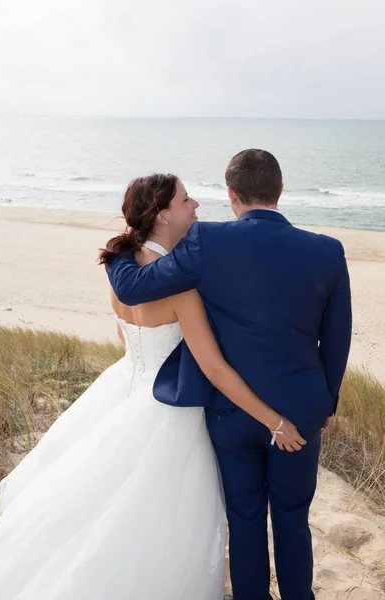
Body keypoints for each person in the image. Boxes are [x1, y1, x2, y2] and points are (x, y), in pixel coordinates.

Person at [0, 173, 304, 600]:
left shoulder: (122, 270)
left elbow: (125, 338)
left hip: (128, 388)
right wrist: (274, 422)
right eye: (187, 200)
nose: (196, 207)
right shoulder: (178, 289)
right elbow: (215, 370)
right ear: (162, 215)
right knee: (164, 520)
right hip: (170, 414)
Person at [107, 152, 353, 600]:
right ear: (279, 190)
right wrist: (327, 403)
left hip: (230, 413)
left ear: (232, 194)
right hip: (300, 412)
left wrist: (120, 249)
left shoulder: (206, 242)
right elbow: (337, 340)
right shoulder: (327, 251)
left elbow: (131, 288)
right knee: (292, 517)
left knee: (244, 517)